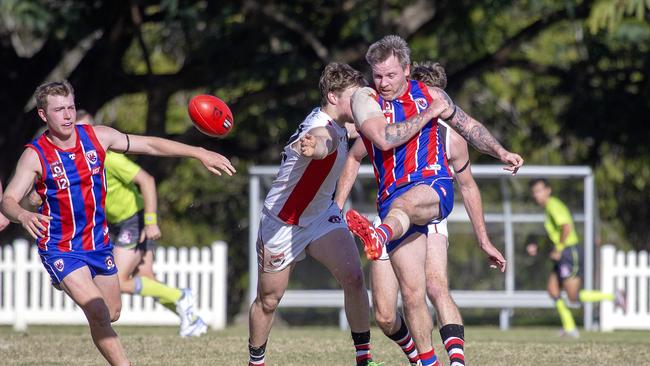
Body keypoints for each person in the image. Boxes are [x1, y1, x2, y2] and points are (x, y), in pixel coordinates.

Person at [1, 80, 235, 365]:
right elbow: (8, 200)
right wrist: (23, 214)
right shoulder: (35, 155)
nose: (67, 115)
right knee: (98, 313)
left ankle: (69, 282)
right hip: (60, 247)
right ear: (43, 115)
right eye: (59, 110)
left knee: (112, 312)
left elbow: (149, 144)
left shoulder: (98, 137)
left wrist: (198, 152)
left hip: (98, 244)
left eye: (71, 108)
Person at [343, 35, 523, 366]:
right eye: (378, 75)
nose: (383, 83)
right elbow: (383, 139)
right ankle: (429, 362)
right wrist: (429, 115)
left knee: (427, 263)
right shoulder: (365, 99)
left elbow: (469, 127)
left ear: (407, 69)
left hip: (432, 187)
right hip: (391, 200)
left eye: (391, 75)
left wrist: (501, 151)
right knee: (412, 296)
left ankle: (378, 235)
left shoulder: (432, 95)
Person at [248, 63, 380, 366]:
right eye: (353, 97)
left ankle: (365, 359)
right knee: (269, 300)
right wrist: (315, 147)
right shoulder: (319, 126)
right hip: (283, 222)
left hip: (321, 216)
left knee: (354, 277)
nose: (359, 104)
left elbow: (368, 122)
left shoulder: (345, 121)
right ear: (333, 96)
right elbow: (323, 140)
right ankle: (256, 361)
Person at [77, 111, 208, 337]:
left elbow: (146, 180)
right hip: (119, 223)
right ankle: (191, 319)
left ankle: (181, 297)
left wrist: (150, 221)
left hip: (133, 219)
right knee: (146, 278)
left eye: (86, 129)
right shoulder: (77, 164)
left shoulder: (109, 158)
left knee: (118, 280)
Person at [527, 178, 626, 338]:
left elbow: (567, 226)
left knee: (573, 297)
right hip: (563, 252)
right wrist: (538, 247)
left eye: (539, 190)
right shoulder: (548, 208)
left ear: (548, 190)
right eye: (534, 192)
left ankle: (614, 297)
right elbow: (556, 232)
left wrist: (559, 248)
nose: (536, 195)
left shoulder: (553, 205)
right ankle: (570, 328)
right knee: (553, 290)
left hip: (569, 252)